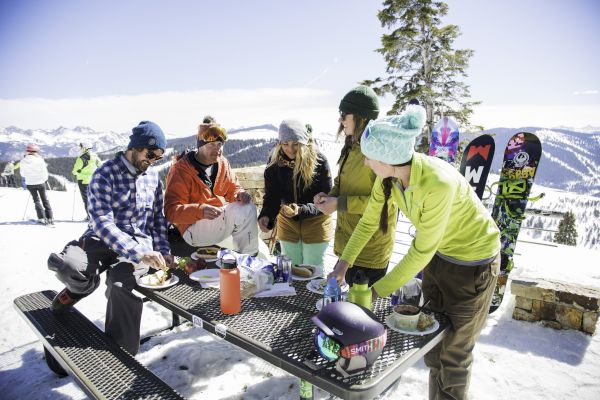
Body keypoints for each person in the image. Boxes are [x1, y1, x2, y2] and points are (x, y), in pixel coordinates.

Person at [329, 103, 501, 400]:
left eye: (370, 158)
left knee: (455, 355)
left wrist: (376, 292)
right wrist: (342, 265)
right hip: (440, 259)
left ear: (388, 157)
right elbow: (368, 223)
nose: (367, 164)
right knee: (435, 346)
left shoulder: (438, 184)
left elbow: (420, 251)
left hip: (474, 265)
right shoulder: (389, 180)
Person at [47, 121, 173, 355]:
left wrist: (163, 250)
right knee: (72, 264)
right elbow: (102, 223)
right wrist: (139, 253)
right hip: (103, 239)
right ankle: (78, 284)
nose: (154, 160)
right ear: (135, 147)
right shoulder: (104, 174)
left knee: (119, 287)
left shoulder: (153, 178)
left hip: (137, 244)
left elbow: (157, 221)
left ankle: (122, 354)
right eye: (151, 154)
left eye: (158, 156)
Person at [314, 86, 397, 286]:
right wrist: (329, 197)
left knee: (361, 313)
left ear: (362, 118)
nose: (340, 120)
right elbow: (342, 184)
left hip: (370, 251)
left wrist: (339, 203)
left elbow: (384, 203)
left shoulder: (380, 154)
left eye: (344, 115)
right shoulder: (352, 146)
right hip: (348, 247)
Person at [164, 121, 260, 255]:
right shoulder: (181, 170)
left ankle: (244, 260)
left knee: (247, 206)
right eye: (211, 145)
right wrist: (200, 210)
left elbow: (233, 188)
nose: (218, 149)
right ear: (200, 146)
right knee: (247, 210)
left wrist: (239, 194)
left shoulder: (222, 163)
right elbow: (171, 211)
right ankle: (249, 260)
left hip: (216, 222)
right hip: (192, 229)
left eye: (220, 144)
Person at [258, 119, 333, 268]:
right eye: (285, 144)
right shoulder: (274, 163)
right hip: (288, 224)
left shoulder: (318, 161)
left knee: (314, 271)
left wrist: (302, 210)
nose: (290, 149)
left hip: (316, 223)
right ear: (279, 143)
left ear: (303, 143)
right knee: (290, 272)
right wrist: (266, 215)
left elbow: (327, 200)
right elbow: (272, 195)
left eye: (295, 144)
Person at [20, 144, 54, 225]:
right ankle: (49, 217)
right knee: (45, 200)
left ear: (27, 151)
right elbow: (45, 172)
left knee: (36, 200)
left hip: (30, 183)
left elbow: (22, 174)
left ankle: (41, 218)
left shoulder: (23, 161)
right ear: (35, 152)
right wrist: (44, 180)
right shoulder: (40, 160)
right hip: (40, 182)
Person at [72, 141, 102, 218]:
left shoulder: (81, 158)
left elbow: (75, 171)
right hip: (93, 180)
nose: (80, 148)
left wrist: (78, 172)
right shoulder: (95, 156)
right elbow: (100, 166)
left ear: (85, 148)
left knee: (86, 199)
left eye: (81, 147)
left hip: (83, 180)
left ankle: (90, 216)